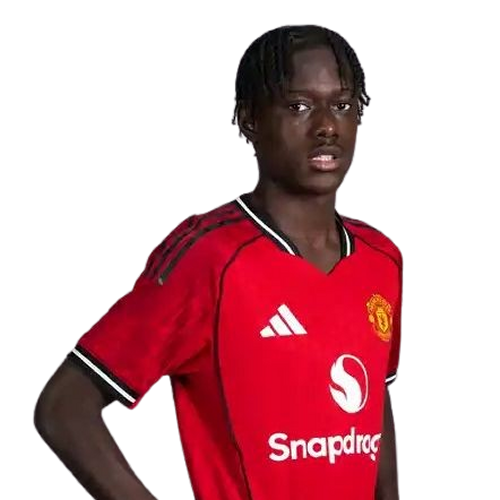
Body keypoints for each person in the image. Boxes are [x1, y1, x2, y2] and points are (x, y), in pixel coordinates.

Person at [33, 23, 402, 500]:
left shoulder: (381, 258)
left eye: (343, 105)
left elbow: (374, 404)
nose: (327, 126)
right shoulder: (208, 256)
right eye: (298, 106)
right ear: (249, 119)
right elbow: (64, 407)